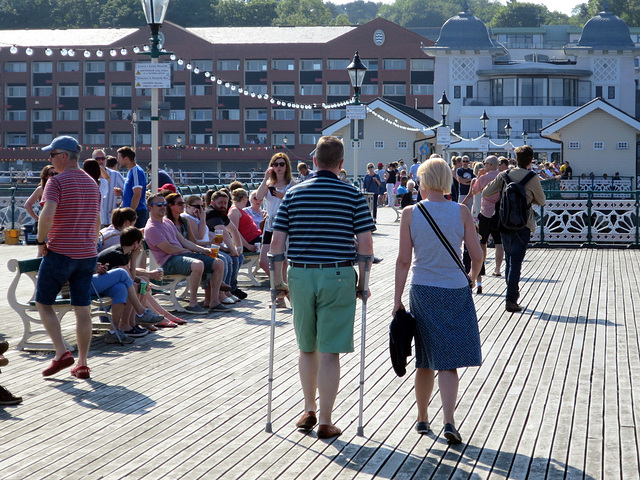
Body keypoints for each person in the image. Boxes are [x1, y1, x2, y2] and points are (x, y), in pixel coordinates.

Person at [270, 136, 375, 439]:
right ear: (341, 164)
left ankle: (308, 408)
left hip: (300, 276)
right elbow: (366, 245)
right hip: (338, 275)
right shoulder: (353, 195)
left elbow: (277, 244)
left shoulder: (293, 194)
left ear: (314, 161)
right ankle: (327, 420)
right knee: (330, 352)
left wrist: (278, 283)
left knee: (307, 347)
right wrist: (364, 284)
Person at [393, 157, 483, 444]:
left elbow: (403, 261)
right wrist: (471, 275)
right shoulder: (461, 211)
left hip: (423, 289)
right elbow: (478, 254)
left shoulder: (410, 212)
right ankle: (449, 421)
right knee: (448, 362)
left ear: (423, 181)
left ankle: (422, 418)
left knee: (424, 360)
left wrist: (396, 301)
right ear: (446, 180)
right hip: (455, 289)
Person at [35, 135, 101, 380]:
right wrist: (90, 245)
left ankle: (62, 352)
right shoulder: (92, 183)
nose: (49, 161)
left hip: (60, 252)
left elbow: (47, 215)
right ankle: (82, 363)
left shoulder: (56, 182)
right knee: (82, 309)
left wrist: (41, 243)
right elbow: (97, 221)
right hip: (87, 255)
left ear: (64, 156)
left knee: (43, 302)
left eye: (51, 156)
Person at [482, 145, 546, 312]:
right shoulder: (532, 177)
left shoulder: (505, 175)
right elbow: (542, 201)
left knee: (509, 260)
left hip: (504, 223)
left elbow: (486, 192)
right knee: (516, 262)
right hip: (523, 224)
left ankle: (511, 296)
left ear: (515, 159)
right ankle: (511, 300)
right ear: (531, 160)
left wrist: (504, 195)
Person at [160, 193, 230, 312]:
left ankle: (214, 301)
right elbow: (171, 248)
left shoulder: (183, 221)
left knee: (218, 261)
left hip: (187, 253)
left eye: (203, 207)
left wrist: (205, 249)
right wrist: (201, 249)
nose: (183, 205)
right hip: (172, 258)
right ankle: (196, 302)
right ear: (171, 206)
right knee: (203, 262)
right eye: (180, 203)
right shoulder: (167, 222)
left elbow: (192, 241)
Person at [256, 152, 296, 287]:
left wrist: (284, 196)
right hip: (270, 224)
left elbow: (297, 204)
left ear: (286, 166)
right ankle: (280, 286)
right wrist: (265, 179)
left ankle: (281, 294)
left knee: (284, 261)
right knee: (263, 261)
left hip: (285, 224)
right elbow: (259, 197)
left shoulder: (291, 184)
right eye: (275, 164)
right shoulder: (269, 183)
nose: (278, 167)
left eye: (281, 164)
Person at [469, 156, 504, 277]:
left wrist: (479, 177)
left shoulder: (484, 178)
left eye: (485, 163)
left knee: (482, 241)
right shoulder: (502, 176)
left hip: (486, 213)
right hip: (500, 212)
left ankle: (482, 267)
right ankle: (498, 269)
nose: (484, 165)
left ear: (489, 165)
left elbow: (474, 192)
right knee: (499, 243)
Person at [117, 146, 148, 229]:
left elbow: (137, 194)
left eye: (119, 158)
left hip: (136, 213)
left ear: (126, 158)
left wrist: (130, 214)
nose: (118, 160)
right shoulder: (131, 172)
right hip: (132, 212)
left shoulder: (136, 172)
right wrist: (122, 193)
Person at [93, 148, 125, 228]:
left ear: (106, 159)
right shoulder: (88, 177)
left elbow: (128, 191)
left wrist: (121, 193)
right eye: (97, 159)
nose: (100, 161)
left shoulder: (115, 175)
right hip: (95, 220)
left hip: (112, 220)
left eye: (103, 158)